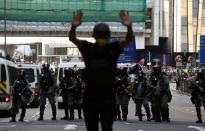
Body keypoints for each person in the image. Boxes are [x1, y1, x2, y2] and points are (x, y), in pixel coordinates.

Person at [69, 10, 133, 131]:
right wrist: (129, 26)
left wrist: (74, 26)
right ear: (109, 36)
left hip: (92, 97)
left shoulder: (87, 47)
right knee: (107, 128)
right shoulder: (113, 47)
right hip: (106, 97)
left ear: (93, 35)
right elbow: (128, 39)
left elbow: (72, 38)